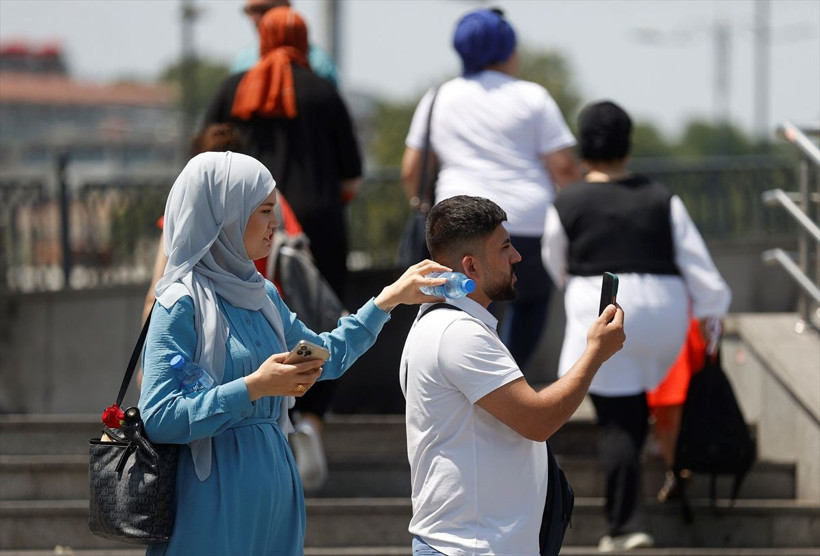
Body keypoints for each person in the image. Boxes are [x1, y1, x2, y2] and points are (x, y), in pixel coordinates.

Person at [138, 151, 449, 555]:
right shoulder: (180, 303)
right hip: (211, 499)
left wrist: (388, 300)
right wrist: (253, 387)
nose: (277, 223)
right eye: (265, 210)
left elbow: (327, 357)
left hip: (275, 490)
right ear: (225, 215)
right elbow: (159, 417)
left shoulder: (262, 295)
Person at [541, 100, 731, 552]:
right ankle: (674, 480)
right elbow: (699, 267)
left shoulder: (567, 201)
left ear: (583, 150)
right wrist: (711, 314)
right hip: (666, 313)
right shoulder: (663, 197)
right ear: (628, 147)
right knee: (653, 400)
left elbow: (555, 262)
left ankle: (626, 527)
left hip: (604, 308)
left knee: (618, 423)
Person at [400, 194, 626, 555]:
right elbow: (538, 420)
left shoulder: (451, 325)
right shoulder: (458, 332)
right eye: (505, 247)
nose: (517, 256)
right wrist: (595, 354)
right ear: (471, 267)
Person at [202, 6, 362, 490]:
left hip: (245, 226)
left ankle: (260, 414)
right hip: (318, 227)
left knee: (248, 316)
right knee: (316, 320)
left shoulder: (233, 89)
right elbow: (351, 178)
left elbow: (204, 157)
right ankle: (310, 419)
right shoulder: (325, 91)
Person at [401, 8, 582, 374]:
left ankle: (465, 380)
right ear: (508, 51)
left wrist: (420, 203)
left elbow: (411, 169)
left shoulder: (439, 97)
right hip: (527, 226)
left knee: (459, 306)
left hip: (456, 226)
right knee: (528, 302)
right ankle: (507, 379)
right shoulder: (533, 97)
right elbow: (563, 167)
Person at [232, 0, 338, 87]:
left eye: (264, 10)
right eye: (251, 11)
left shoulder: (319, 63)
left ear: (287, 8)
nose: (258, 18)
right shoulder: (244, 60)